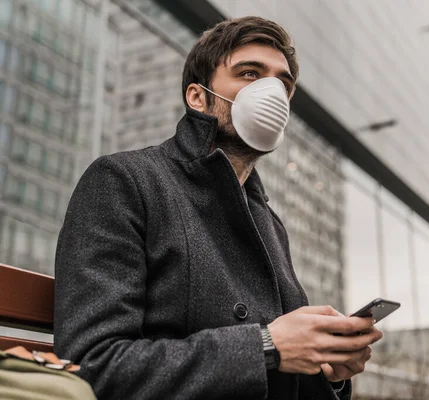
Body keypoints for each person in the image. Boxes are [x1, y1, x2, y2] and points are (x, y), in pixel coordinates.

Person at [54, 16, 383, 400]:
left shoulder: (268, 221)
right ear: (198, 97)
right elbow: (91, 365)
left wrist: (330, 370)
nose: (271, 92)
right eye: (249, 73)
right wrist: (266, 346)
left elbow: (283, 366)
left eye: (283, 83)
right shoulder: (124, 180)